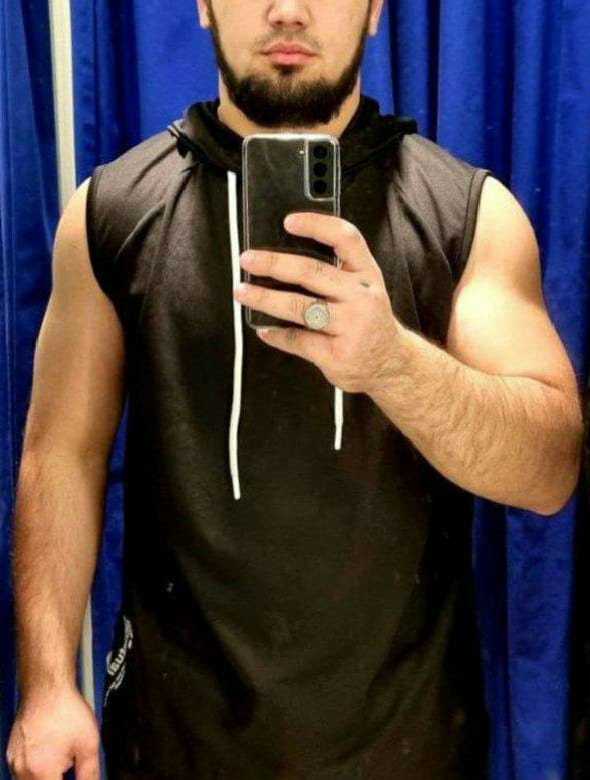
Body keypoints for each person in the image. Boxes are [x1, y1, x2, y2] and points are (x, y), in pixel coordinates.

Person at [6, 0, 584, 778]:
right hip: (173, 742)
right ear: (204, 6)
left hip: (410, 748)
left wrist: (392, 363)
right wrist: (46, 686)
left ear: (374, 11)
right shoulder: (111, 212)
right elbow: (60, 454)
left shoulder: (468, 217)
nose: (287, 10)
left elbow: (549, 471)